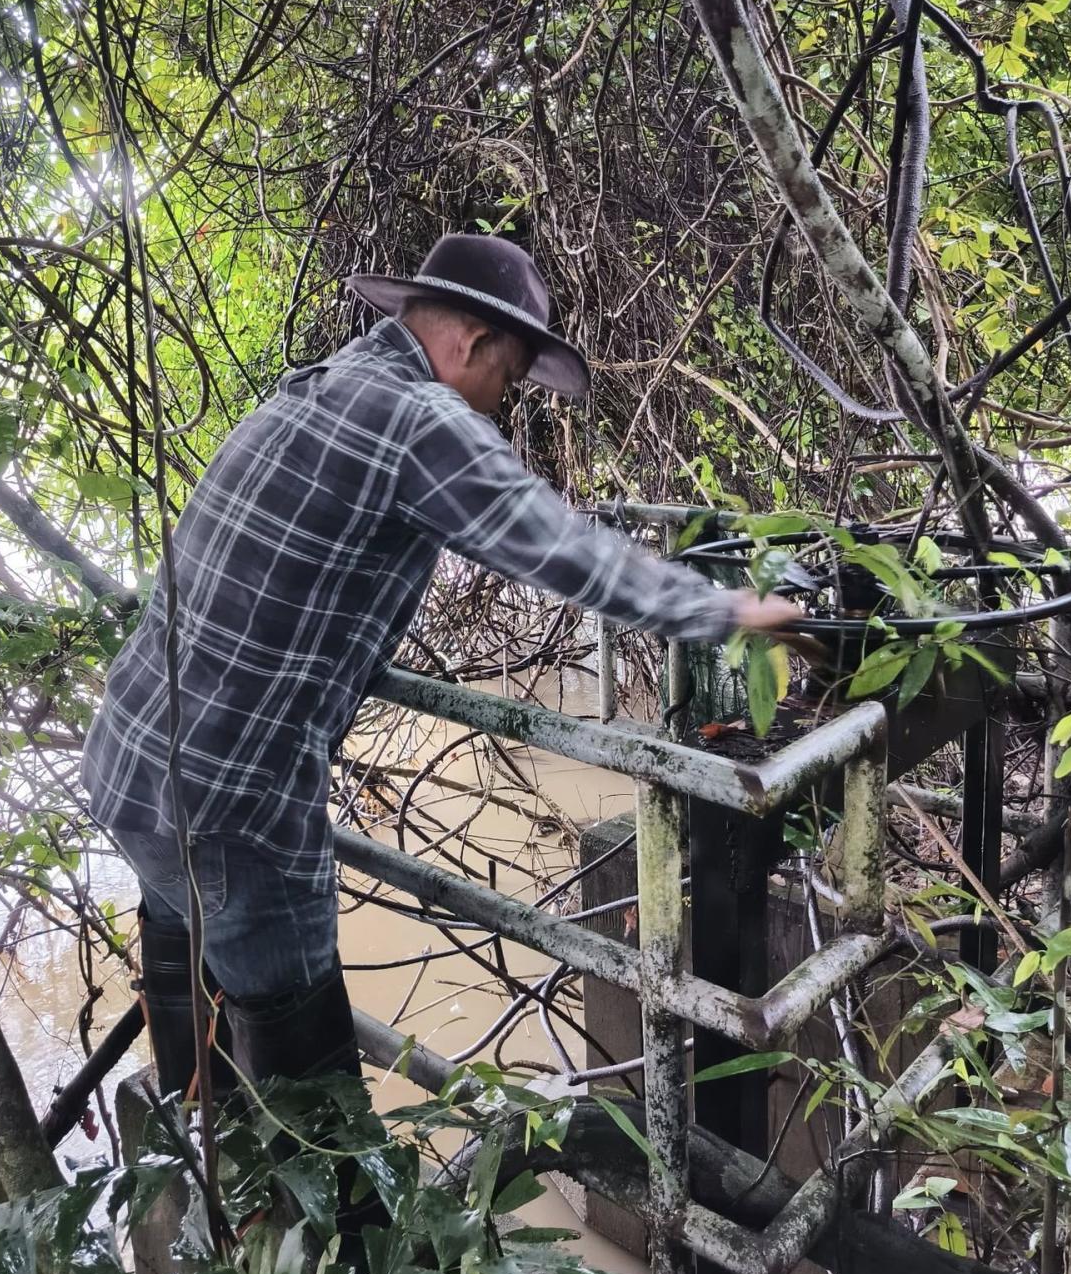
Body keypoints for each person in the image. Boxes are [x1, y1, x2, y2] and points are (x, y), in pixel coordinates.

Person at [81, 233, 793, 1104]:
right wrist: (729, 611)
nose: (501, 404)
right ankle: (314, 1224)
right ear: (469, 342)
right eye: (509, 376)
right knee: (311, 1089)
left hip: (128, 760)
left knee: (189, 985)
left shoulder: (311, 389)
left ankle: (194, 1171)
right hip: (235, 809)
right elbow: (562, 549)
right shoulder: (423, 421)